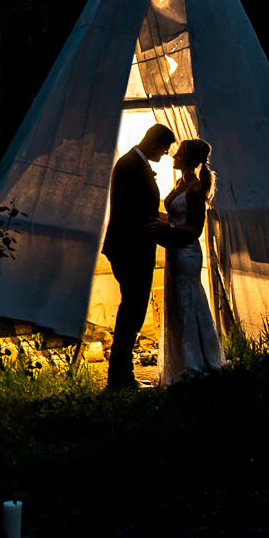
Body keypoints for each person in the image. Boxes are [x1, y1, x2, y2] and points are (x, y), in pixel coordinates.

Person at [101, 123, 177, 390]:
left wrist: (160, 220)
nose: (167, 154)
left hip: (133, 248)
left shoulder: (134, 163)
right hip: (130, 249)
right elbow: (128, 210)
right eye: (166, 148)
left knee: (132, 311)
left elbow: (140, 207)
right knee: (131, 312)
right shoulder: (130, 165)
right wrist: (155, 226)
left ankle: (123, 375)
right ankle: (120, 378)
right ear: (154, 144)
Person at [162, 138, 226, 380]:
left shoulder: (197, 188)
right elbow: (174, 218)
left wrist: (166, 230)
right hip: (174, 248)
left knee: (188, 302)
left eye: (178, 153)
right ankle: (185, 359)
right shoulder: (180, 183)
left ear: (188, 158)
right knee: (179, 301)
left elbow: (195, 230)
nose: (174, 156)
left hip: (187, 251)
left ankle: (194, 363)